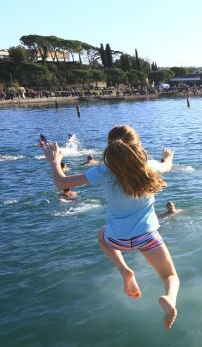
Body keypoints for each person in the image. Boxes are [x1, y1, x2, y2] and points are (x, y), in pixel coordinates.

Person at [42, 125, 180, 329]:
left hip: (117, 238)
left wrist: (54, 162)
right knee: (170, 276)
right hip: (147, 236)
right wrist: (167, 157)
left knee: (100, 235)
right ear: (137, 145)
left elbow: (61, 183)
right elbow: (166, 166)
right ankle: (169, 298)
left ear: (111, 147)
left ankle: (125, 271)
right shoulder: (148, 166)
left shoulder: (104, 171)